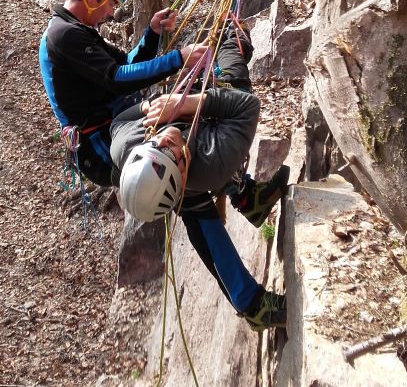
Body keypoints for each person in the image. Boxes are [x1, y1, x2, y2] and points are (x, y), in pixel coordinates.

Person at [110, 24, 290, 331]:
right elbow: (245, 105)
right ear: (182, 178)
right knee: (231, 59)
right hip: (207, 135)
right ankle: (250, 302)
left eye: (159, 146)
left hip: (148, 164)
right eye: (176, 156)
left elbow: (119, 122)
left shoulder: (126, 143)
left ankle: (249, 198)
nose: (167, 140)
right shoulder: (211, 164)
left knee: (195, 204)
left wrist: (156, 106)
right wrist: (190, 104)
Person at [39, 0, 207, 186]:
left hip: (116, 128)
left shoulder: (76, 30)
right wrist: (178, 59)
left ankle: (236, 189)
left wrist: (153, 33)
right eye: (110, 3)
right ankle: (237, 192)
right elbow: (116, 78)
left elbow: (126, 63)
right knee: (178, 168)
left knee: (187, 142)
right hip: (100, 146)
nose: (111, 12)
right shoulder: (64, 35)